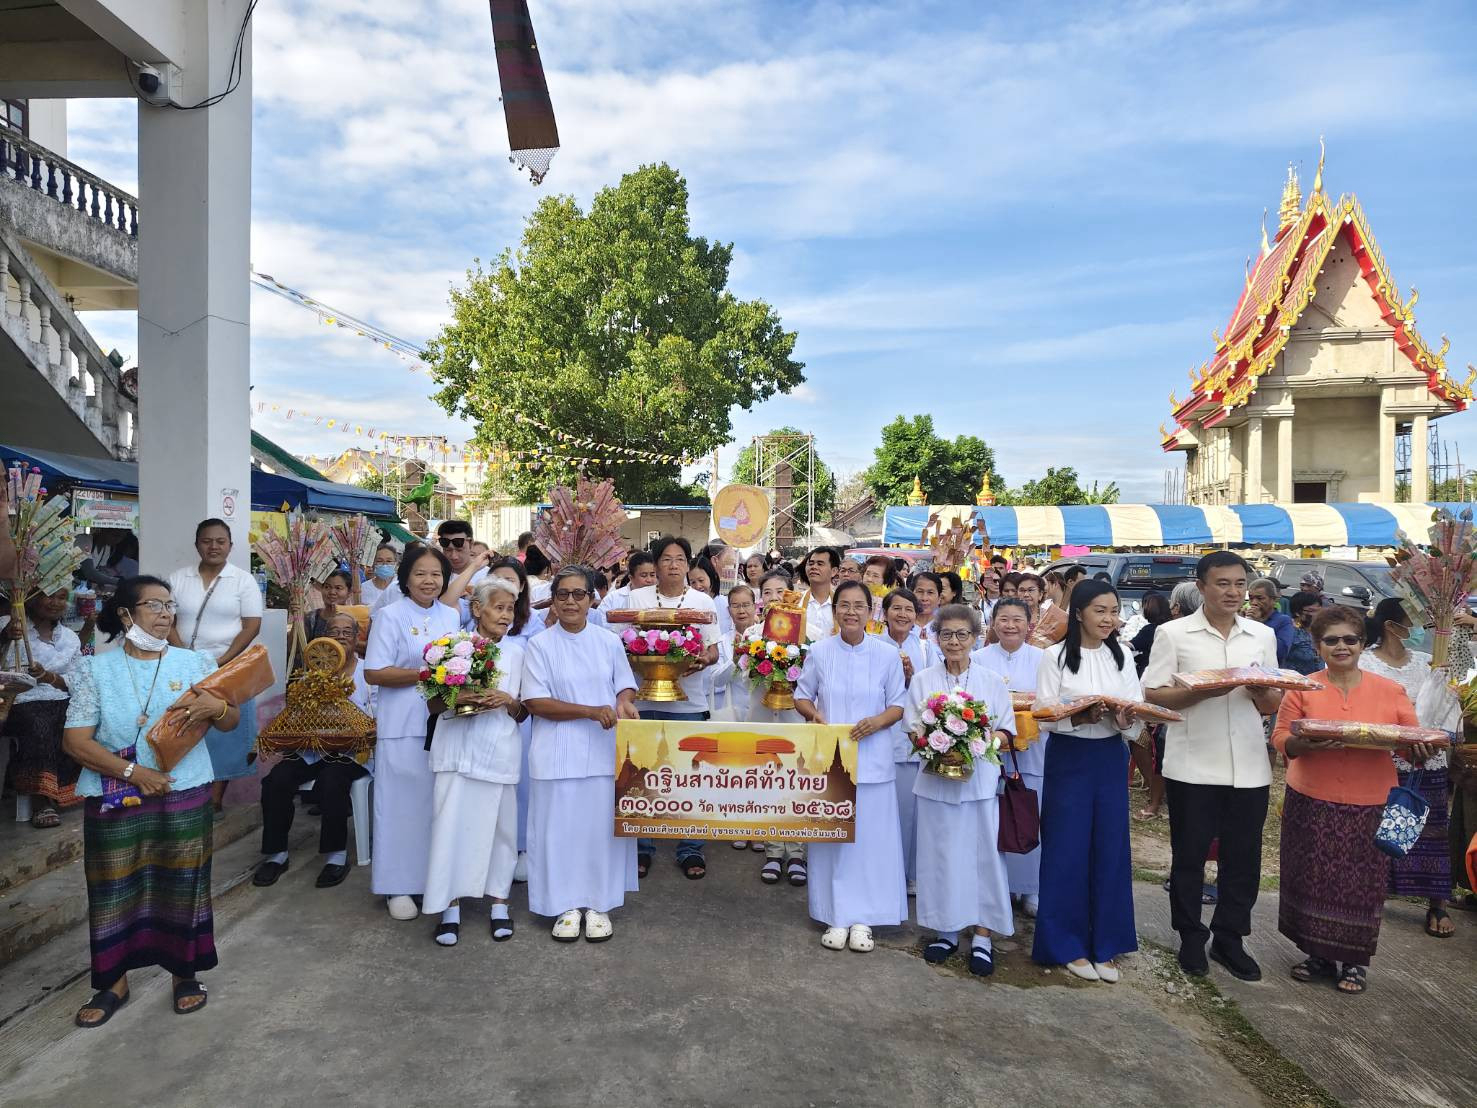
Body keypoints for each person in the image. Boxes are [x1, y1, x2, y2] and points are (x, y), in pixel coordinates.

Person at [62, 575, 241, 1027]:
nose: (166, 615)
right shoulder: (93, 668)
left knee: (184, 885)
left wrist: (215, 709)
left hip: (185, 791)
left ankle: (185, 973)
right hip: (116, 794)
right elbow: (75, 742)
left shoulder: (197, 662)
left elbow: (230, 720)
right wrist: (133, 773)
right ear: (125, 614)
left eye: (170, 606)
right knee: (112, 889)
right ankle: (113, 982)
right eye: (155, 606)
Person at [1272, 605, 1437, 995]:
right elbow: (1280, 738)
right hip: (1311, 799)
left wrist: (1419, 750)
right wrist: (1304, 742)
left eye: (1350, 639)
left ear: (1363, 643)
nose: (1341, 646)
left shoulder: (1390, 691)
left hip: (1370, 801)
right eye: (1331, 640)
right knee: (1313, 879)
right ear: (1317, 646)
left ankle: (1355, 962)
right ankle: (1318, 954)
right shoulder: (1304, 689)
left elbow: (1412, 739)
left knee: (1361, 883)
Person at [1143, 552, 1282, 980]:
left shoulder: (1260, 636)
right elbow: (1153, 693)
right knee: (1190, 855)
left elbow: (1273, 701)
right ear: (1201, 586)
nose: (1233, 592)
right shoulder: (1174, 634)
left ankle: (1229, 938)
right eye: (1222, 583)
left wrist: (1260, 691)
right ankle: (1189, 935)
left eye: (1240, 584)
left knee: (1243, 858)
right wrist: (1201, 691)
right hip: (1192, 765)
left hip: (1248, 765)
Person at [1032, 580, 1144, 982]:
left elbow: (1134, 708)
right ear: (1078, 612)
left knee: (1110, 849)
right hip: (1070, 759)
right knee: (1067, 849)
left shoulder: (1124, 658)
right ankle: (1065, 943)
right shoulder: (1054, 657)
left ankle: (1106, 943)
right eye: (1100, 610)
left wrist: (1126, 719)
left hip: (1110, 758)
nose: (1109, 619)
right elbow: (1043, 712)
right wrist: (1078, 717)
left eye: (1114, 611)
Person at [522, 565, 640, 942]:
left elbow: (624, 686)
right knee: (558, 833)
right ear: (553, 601)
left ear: (592, 599)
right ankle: (564, 906)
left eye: (578, 594)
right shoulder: (539, 645)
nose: (571, 601)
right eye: (563, 595)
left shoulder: (607, 642)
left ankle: (599, 904)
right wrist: (590, 711)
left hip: (603, 752)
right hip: (555, 755)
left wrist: (624, 702)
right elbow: (536, 702)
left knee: (598, 833)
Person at [794, 579, 909, 953]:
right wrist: (815, 717)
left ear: (870, 612)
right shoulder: (820, 651)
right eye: (844, 605)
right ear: (834, 610)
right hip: (830, 760)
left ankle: (865, 919)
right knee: (832, 840)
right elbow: (801, 696)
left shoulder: (886, 654)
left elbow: (898, 704)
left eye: (859, 605)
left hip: (874, 760)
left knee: (870, 842)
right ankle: (834, 914)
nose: (851, 612)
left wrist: (877, 722)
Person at [906, 603, 1016, 975]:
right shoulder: (922, 680)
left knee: (981, 856)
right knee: (940, 856)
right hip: (936, 783)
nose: (954, 642)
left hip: (980, 784)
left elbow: (1005, 731)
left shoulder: (990, 681)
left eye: (962, 634)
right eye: (947, 634)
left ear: (975, 638)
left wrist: (981, 742)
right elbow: (911, 728)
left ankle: (982, 936)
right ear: (936, 638)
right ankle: (946, 929)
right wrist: (933, 741)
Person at [421, 577, 528, 945]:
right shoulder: (451, 647)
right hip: (454, 751)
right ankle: (448, 906)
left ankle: (500, 903)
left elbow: (524, 711)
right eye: (498, 607)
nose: (504, 615)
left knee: (502, 831)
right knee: (449, 828)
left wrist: (506, 700)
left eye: (510, 609)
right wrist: (458, 696)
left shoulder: (518, 653)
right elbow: (432, 704)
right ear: (477, 609)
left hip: (499, 751)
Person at [362, 544, 465, 920]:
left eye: (436, 574)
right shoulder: (390, 616)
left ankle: (431, 880)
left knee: (433, 808)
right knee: (398, 807)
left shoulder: (451, 617)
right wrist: (427, 673)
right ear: (405, 577)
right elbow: (375, 672)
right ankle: (396, 886)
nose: (429, 580)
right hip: (402, 724)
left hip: (442, 724)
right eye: (420, 573)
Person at [1359, 597, 1457, 939]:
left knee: (1430, 830)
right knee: (1379, 828)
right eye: (1412, 622)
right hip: (1383, 758)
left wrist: (1433, 738)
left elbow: (1449, 704)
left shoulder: (1430, 662)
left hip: (1429, 758)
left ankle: (1437, 904)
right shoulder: (1366, 664)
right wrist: (1401, 741)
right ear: (1391, 626)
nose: (1418, 631)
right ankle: (1373, 893)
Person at [253, 611, 372, 891]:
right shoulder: (310, 675)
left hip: (352, 752)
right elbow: (294, 714)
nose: (340, 636)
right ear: (323, 637)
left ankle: (336, 855)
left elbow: (376, 716)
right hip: (311, 749)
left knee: (333, 782)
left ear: (357, 639)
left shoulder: (368, 673)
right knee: (276, 781)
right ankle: (276, 853)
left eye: (347, 632)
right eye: (334, 631)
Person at [625, 536, 719, 879]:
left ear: (689, 564)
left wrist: (701, 660)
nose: (673, 565)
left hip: (689, 700)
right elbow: (620, 644)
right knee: (643, 775)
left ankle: (690, 848)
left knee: (689, 775)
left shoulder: (701, 600)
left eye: (680, 559)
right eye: (666, 559)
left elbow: (713, 651)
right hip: (643, 699)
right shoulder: (635, 598)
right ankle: (641, 847)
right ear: (656, 563)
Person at [168, 518, 263, 809]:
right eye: (207, 541)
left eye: (220, 541)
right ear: (197, 544)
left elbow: (251, 626)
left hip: (227, 669)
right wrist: (183, 654)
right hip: (184, 665)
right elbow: (168, 620)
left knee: (226, 733)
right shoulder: (177, 579)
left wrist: (223, 661)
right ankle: (186, 790)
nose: (214, 546)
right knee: (185, 727)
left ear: (230, 546)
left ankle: (215, 800)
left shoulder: (242, 580)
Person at [973, 597, 1046, 913]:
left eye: (1018, 619)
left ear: (1029, 625)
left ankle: (1030, 889)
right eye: (1003, 618)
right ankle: (995, 886)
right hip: (989, 750)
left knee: (1029, 813)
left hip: (1032, 752)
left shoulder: (1044, 659)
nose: (1011, 625)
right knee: (993, 818)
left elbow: (1054, 702)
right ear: (993, 623)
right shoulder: (978, 658)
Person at [2, 588, 83, 827]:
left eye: (61, 598)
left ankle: (73, 788)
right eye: (49, 596)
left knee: (81, 719)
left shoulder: (69, 637)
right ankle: (41, 799)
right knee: (39, 723)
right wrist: (6, 637)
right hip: (16, 699)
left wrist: (49, 677)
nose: (55, 603)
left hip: (58, 695)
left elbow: (75, 679)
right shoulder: (9, 625)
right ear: (31, 598)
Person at [876, 587, 934, 893]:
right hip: (881, 738)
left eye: (908, 610)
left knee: (912, 814)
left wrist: (912, 677)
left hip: (914, 741)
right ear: (885, 613)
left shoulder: (925, 648)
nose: (902, 615)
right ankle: (886, 873)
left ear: (917, 615)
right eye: (896, 608)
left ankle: (911, 874)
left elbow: (932, 692)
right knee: (886, 813)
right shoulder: (873, 644)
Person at [1128, 591, 1171, 822]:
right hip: (1155, 693)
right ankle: (1156, 793)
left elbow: (1130, 645)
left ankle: (1154, 798)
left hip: (1155, 698)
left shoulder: (1154, 630)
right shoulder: (1169, 629)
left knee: (1150, 747)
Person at [436, 519, 485, 628]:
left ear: (471, 543)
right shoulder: (435, 576)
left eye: (459, 550)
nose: (454, 556)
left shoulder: (488, 576)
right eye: (448, 550)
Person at [1247, 577, 1294, 667]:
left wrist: (1258, 624)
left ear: (1273, 600)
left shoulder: (1283, 621)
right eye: (1251, 598)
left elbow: (1281, 652)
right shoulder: (1246, 619)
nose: (1254, 603)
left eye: (1260, 598)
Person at [305, 568, 354, 643]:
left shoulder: (355, 618)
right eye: (327, 587)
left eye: (338, 588)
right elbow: (295, 647)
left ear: (349, 592)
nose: (332, 592)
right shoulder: (311, 618)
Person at [801, 547, 839, 638]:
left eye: (820, 564)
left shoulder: (841, 603)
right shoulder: (796, 601)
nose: (814, 567)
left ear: (833, 571)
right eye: (811, 563)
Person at [1285, 592, 1325, 676]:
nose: (1318, 614)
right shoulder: (1289, 631)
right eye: (1312, 611)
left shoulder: (1322, 632)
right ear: (1297, 612)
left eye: (1320, 610)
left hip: (1317, 683)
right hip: (1292, 682)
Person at [365, 544, 403, 614]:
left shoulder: (403, 587)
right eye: (380, 561)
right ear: (374, 563)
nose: (384, 565)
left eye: (389, 561)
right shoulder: (364, 588)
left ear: (396, 563)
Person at [910, 572, 943, 643]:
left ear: (939, 598)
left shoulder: (945, 627)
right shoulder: (902, 624)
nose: (924, 598)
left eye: (930, 592)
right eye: (920, 591)